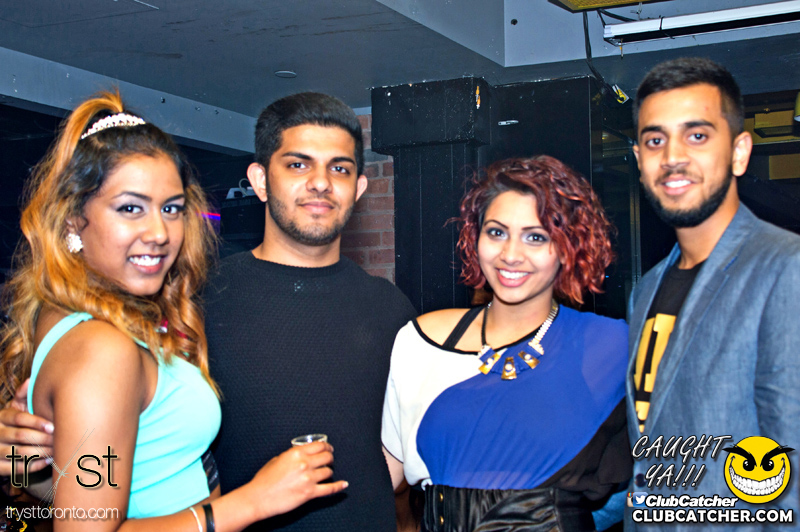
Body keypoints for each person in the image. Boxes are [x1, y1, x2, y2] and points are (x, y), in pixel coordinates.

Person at [0, 91, 346, 531]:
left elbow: (79, 504)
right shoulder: (102, 348)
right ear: (73, 220)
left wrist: (27, 470)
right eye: (130, 208)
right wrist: (254, 501)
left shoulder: (75, 321)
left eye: (171, 209)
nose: (159, 232)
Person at [203, 92, 417, 531]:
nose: (321, 183)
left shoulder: (390, 308)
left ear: (358, 189)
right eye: (299, 165)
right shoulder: (203, 301)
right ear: (260, 181)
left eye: (339, 168)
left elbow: (396, 460)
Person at [382, 156, 631, 531]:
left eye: (536, 237)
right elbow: (387, 480)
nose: (511, 255)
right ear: (475, 238)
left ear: (568, 248)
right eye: (497, 232)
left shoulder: (611, 345)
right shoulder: (419, 342)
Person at [627, 57, 800, 528]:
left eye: (697, 136)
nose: (673, 157)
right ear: (640, 161)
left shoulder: (785, 268)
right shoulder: (646, 290)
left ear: (740, 152)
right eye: (655, 140)